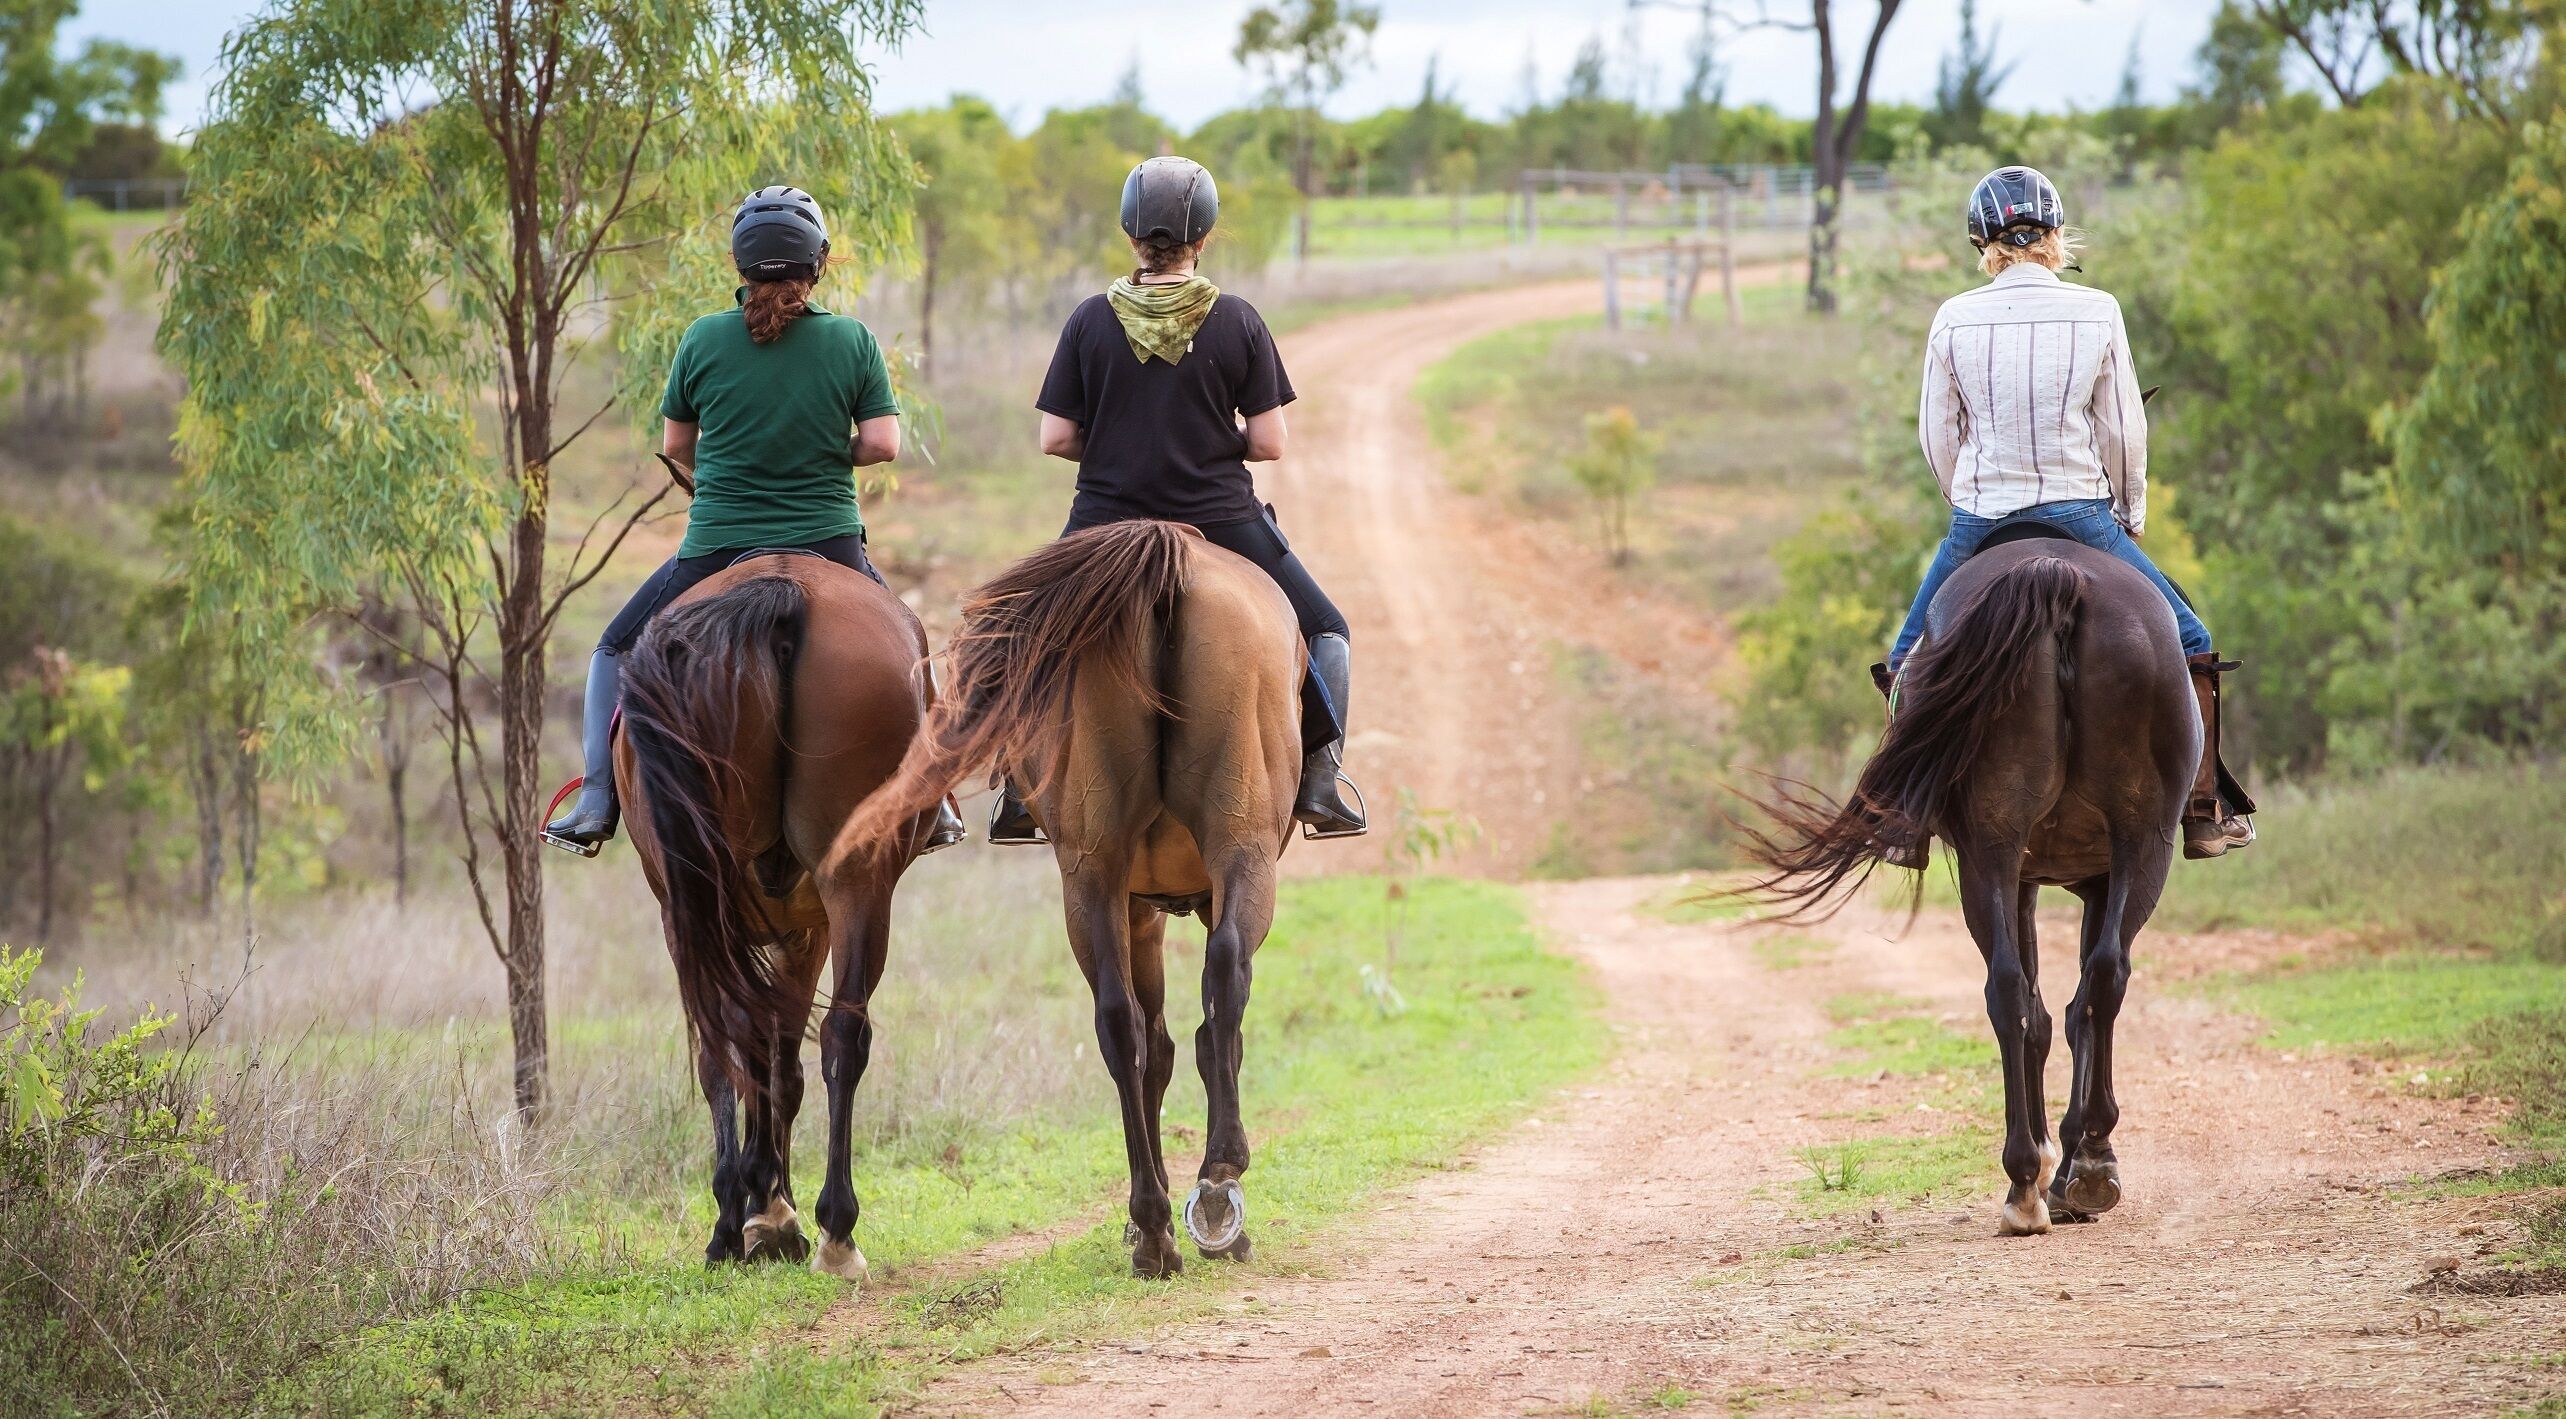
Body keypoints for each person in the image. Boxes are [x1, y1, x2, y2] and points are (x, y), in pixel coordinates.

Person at [542, 186, 966, 856]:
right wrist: (828, 451)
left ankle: (597, 796)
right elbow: (883, 444)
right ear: (817, 263)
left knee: (614, 649)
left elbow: (677, 445)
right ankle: (937, 799)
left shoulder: (703, 338)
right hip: (829, 543)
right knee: (909, 646)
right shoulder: (850, 338)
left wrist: (722, 470)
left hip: (718, 545)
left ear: (740, 263)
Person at [986, 155, 1365, 843]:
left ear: (1131, 234)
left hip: (1104, 521)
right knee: (1328, 629)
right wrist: (1215, 439)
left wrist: (1112, 445)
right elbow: (1272, 443)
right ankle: (1319, 782)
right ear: (1205, 237)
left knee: (1015, 631)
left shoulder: (1089, 320)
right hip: (1220, 520)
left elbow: (1055, 437)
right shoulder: (1239, 320)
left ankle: (1016, 789)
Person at [1880, 165, 2254, 861]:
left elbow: (1938, 435)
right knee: (2194, 638)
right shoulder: (2097, 308)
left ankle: (1904, 817)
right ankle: (2204, 810)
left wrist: (1967, 503)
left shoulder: (1953, 317)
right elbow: (2122, 431)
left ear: (1982, 245)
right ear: (2054, 237)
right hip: (2082, 514)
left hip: (1982, 518)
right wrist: (2128, 514)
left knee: (1907, 658)